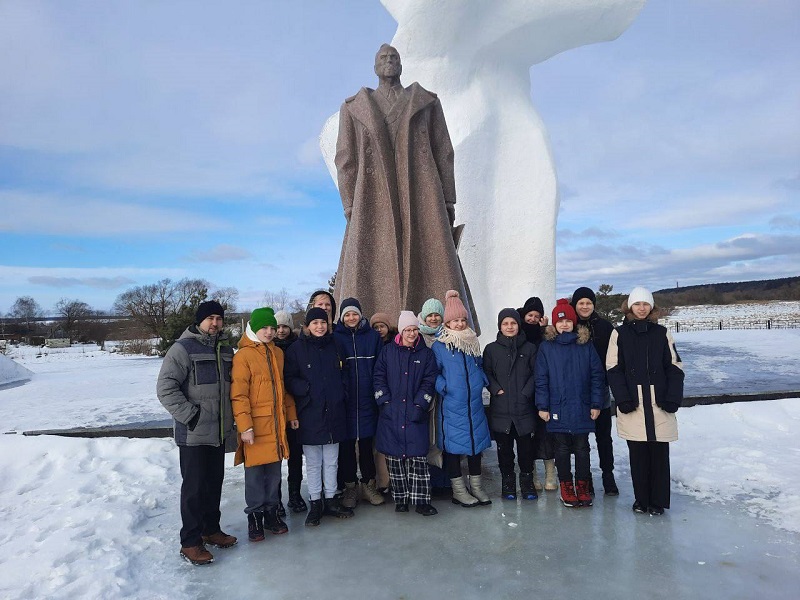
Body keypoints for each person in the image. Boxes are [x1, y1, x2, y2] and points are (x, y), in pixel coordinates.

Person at [334, 43, 478, 330]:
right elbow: (345, 158)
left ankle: (446, 326)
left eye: (394, 58)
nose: (389, 62)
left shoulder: (426, 102)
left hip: (421, 192)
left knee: (432, 257)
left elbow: (444, 151)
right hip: (371, 196)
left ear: (401, 65)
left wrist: (448, 199)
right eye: (383, 58)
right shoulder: (353, 108)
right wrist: (350, 202)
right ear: (375, 67)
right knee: (369, 262)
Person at [156, 300, 237, 565]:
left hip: (218, 432)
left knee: (214, 483)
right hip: (193, 433)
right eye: (210, 318)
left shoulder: (226, 350)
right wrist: (192, 416)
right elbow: (166, 389)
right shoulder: (182, 349)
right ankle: (190, 542)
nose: (215, 323)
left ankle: (211, 530)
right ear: (199, 320)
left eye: (219, 318)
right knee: (194, 489)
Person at [606, 287, 684, 516]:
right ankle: (641, 499)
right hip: (633, 402)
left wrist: (672, 397)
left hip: (659, 402)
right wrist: (622, 398)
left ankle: (658, 501)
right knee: (638, 455)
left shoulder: (662, 333)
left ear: (651, 307)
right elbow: (613, 368)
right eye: (637, 304)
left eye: (645, 304)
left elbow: (675, 367)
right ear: (629, 307)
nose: (641, 308)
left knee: (659, 454)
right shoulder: (619, 333)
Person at [231, 308, 298, 542]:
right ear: (254, 329)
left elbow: (283, 387)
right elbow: (238, 395)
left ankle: (271, 513)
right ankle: (255, 517)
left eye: (272, 328)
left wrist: (291, 414)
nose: (270, 332)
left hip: (276, 422)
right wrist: (245, 426)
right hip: (256, 426)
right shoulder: (243, 356)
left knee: (274, 473)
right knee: (255, 475)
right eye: (265, 328)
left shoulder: (277, 353)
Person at [283, 307, 353, 526]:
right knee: (313, 462)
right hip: (309, 412)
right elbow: (289, 378)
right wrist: (306, 389)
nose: (319, 327)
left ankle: (331, 499)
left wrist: (342, 391)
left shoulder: (337, 345)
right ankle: (315, 502)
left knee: (332, 460)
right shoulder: (296, 349)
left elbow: (346, 372)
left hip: (334, 411)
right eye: (315, 323)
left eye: (323, 323)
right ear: (307, 326)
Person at [535, 299, 604, 508]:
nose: (564, 325)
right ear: (554, 324)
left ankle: (582, 486)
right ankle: (566, 485)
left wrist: (596, 404)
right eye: (560, 321)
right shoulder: (547, 348)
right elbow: (541, 379)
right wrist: (543, 406)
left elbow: (596, 376)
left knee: (583, 448)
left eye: (568, 321)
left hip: (582, 405)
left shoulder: (586, 346)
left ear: (574, 323)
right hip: (557, 406)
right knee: (562, 448)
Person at [373, 311, 439, 516]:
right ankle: (400, 499)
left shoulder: (426, 354)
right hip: (392, 413)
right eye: (408, 330)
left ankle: (421, 501)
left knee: (418, 459)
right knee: (395, 460)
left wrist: (420, 404)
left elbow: (430, 381)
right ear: (401, 331)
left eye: (414, 330)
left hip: (415, 412)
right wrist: (384, 401)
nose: (411, 334)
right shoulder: (387, 352)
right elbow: (378, 377)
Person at [432, 290, 492, 507]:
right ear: (447, 323)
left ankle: (476, 487)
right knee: (453, 449)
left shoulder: (471, 343)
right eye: (455, 320)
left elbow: (480, 365)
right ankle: (458, 490)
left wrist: (481, 379)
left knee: (476, 446)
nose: (459, 324)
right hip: (452, 405)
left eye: (462, 320)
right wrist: (444, 386)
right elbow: (432, 373)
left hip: (473, 404)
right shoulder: (440, 346)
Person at [333, 298, 385, 507]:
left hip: (367, 400)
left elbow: (381, 368)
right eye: (347, 314)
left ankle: (368, 484)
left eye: (355, 314)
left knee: (366, 446)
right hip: (345, 402)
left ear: (361, 315)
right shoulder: (335, 338)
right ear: (342, 317)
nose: (351, 318)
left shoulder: (372, 337)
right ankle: (350, 487)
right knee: (346, 448)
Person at [483, 309, 538, 500]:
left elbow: (536, 373)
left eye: (513, 323)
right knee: (504, 450)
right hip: (501, 408)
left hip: (523, 408)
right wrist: (496, 389)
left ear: (518, 325)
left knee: (526, 450)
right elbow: (486, 373)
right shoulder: (491, 349)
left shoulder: (529, 348)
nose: (509, 327)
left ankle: (527, 481)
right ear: (500, 326)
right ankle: (508, 482)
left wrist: (526, 392)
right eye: (505, 324)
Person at [570, 287, 619, 496]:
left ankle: (608, 475)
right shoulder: (569, 327)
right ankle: (585, 477)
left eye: (588, 303)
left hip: (601, 389)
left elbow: (615, 356)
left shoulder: (605, 327)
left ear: (593, 305)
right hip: (578, 391)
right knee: (581, 439)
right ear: (575, 305)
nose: (585, 306)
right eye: (581, 303)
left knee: (603, 436)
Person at [517, 296, 556, 492]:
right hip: (523, 393)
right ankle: (531, 474)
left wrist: (545, 330)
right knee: (527, 437)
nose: (532, 319)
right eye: (529, 315)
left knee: (546, 433)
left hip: (544, 391)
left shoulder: (545, 337)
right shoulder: (517, 335)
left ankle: (550, 473)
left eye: (537, 316)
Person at [274, 309, 306, 513]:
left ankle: (294, 493)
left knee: (295, 455)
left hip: (296, 407)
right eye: (277, 327)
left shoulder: (297, 347)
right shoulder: (268, 347)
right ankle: (274, 499)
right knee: (275, 456)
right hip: (275, 409)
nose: (281, 330)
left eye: (285, 326)